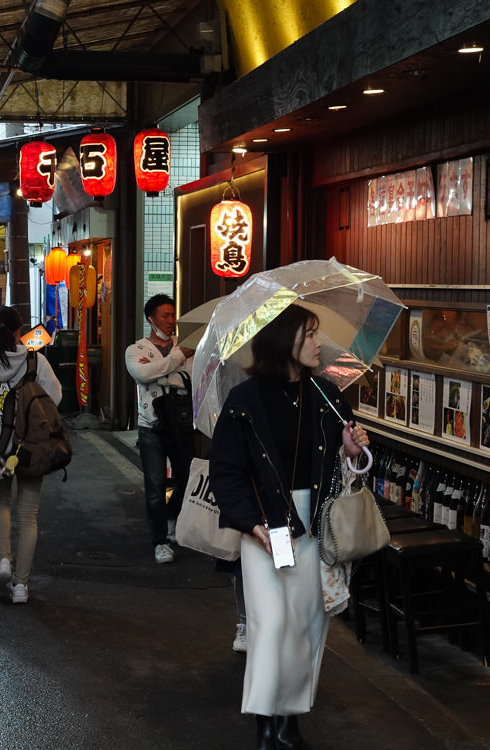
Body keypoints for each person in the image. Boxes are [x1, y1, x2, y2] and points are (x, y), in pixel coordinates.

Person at [208, 304, 370, 750]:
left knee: (306, 624)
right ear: (286, 341)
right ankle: (264, 722)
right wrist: (250, 523)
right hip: (265, 524)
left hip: (313, 523)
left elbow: (339, 472)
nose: (319, 343)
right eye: (311, 334)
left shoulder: (328, 396)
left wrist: (351, 451)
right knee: (271, 623)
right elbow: (227, 470)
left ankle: (290, 719)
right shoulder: (245, 399)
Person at [0, 306, 62, 604]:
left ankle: (3, 559)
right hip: (30, 448)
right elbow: (55, 397)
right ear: (21, 331)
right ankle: (20, 585)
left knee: (1, 504)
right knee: (28, 515)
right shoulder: (35, 360)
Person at [124, 293, 195, 564]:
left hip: (181, 421)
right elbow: (142, 374)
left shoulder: (185, 345)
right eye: (164, 316)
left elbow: (190, 376)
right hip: (151, 425)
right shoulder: (136, 349)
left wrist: (160, 370)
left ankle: (169, 517)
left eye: (172, 315)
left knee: (186, 478)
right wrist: (175, 360)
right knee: (154, 483)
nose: (170, 320)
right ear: (151, 319)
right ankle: (160, 541)